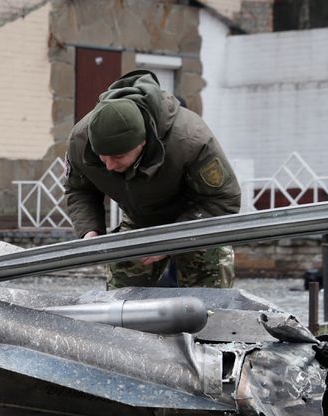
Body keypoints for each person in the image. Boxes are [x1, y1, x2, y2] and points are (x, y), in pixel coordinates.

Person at [64, 70, 241, 288]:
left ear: (142, 143)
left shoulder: (191, 139)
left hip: (196, 221)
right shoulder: (81, 140)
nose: (109, 166)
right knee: (121, 297)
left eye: (118, 157)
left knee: (209, 299)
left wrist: (172, 239)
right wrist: (89, 230)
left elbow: (224, 199)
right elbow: (79, 188)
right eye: (102, 157)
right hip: (141, 219)